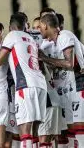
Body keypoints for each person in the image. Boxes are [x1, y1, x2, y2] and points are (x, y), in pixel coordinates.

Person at [0, 13, 47, 148]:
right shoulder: (31, 38)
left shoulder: (12, 35)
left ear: (11, 26)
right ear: (25, 25)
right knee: (35, 128)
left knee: (24, 129)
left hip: (25, 85)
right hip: (41, 84)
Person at [39, 14, 79, 148]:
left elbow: (69, 63)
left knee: (70, 127)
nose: (39, 30)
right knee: (60, 131)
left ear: (45, 26)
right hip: (58, 90)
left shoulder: (65, 36)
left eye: (40, 27)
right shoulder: (47, 44)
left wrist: (44, 58)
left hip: (73, 87)